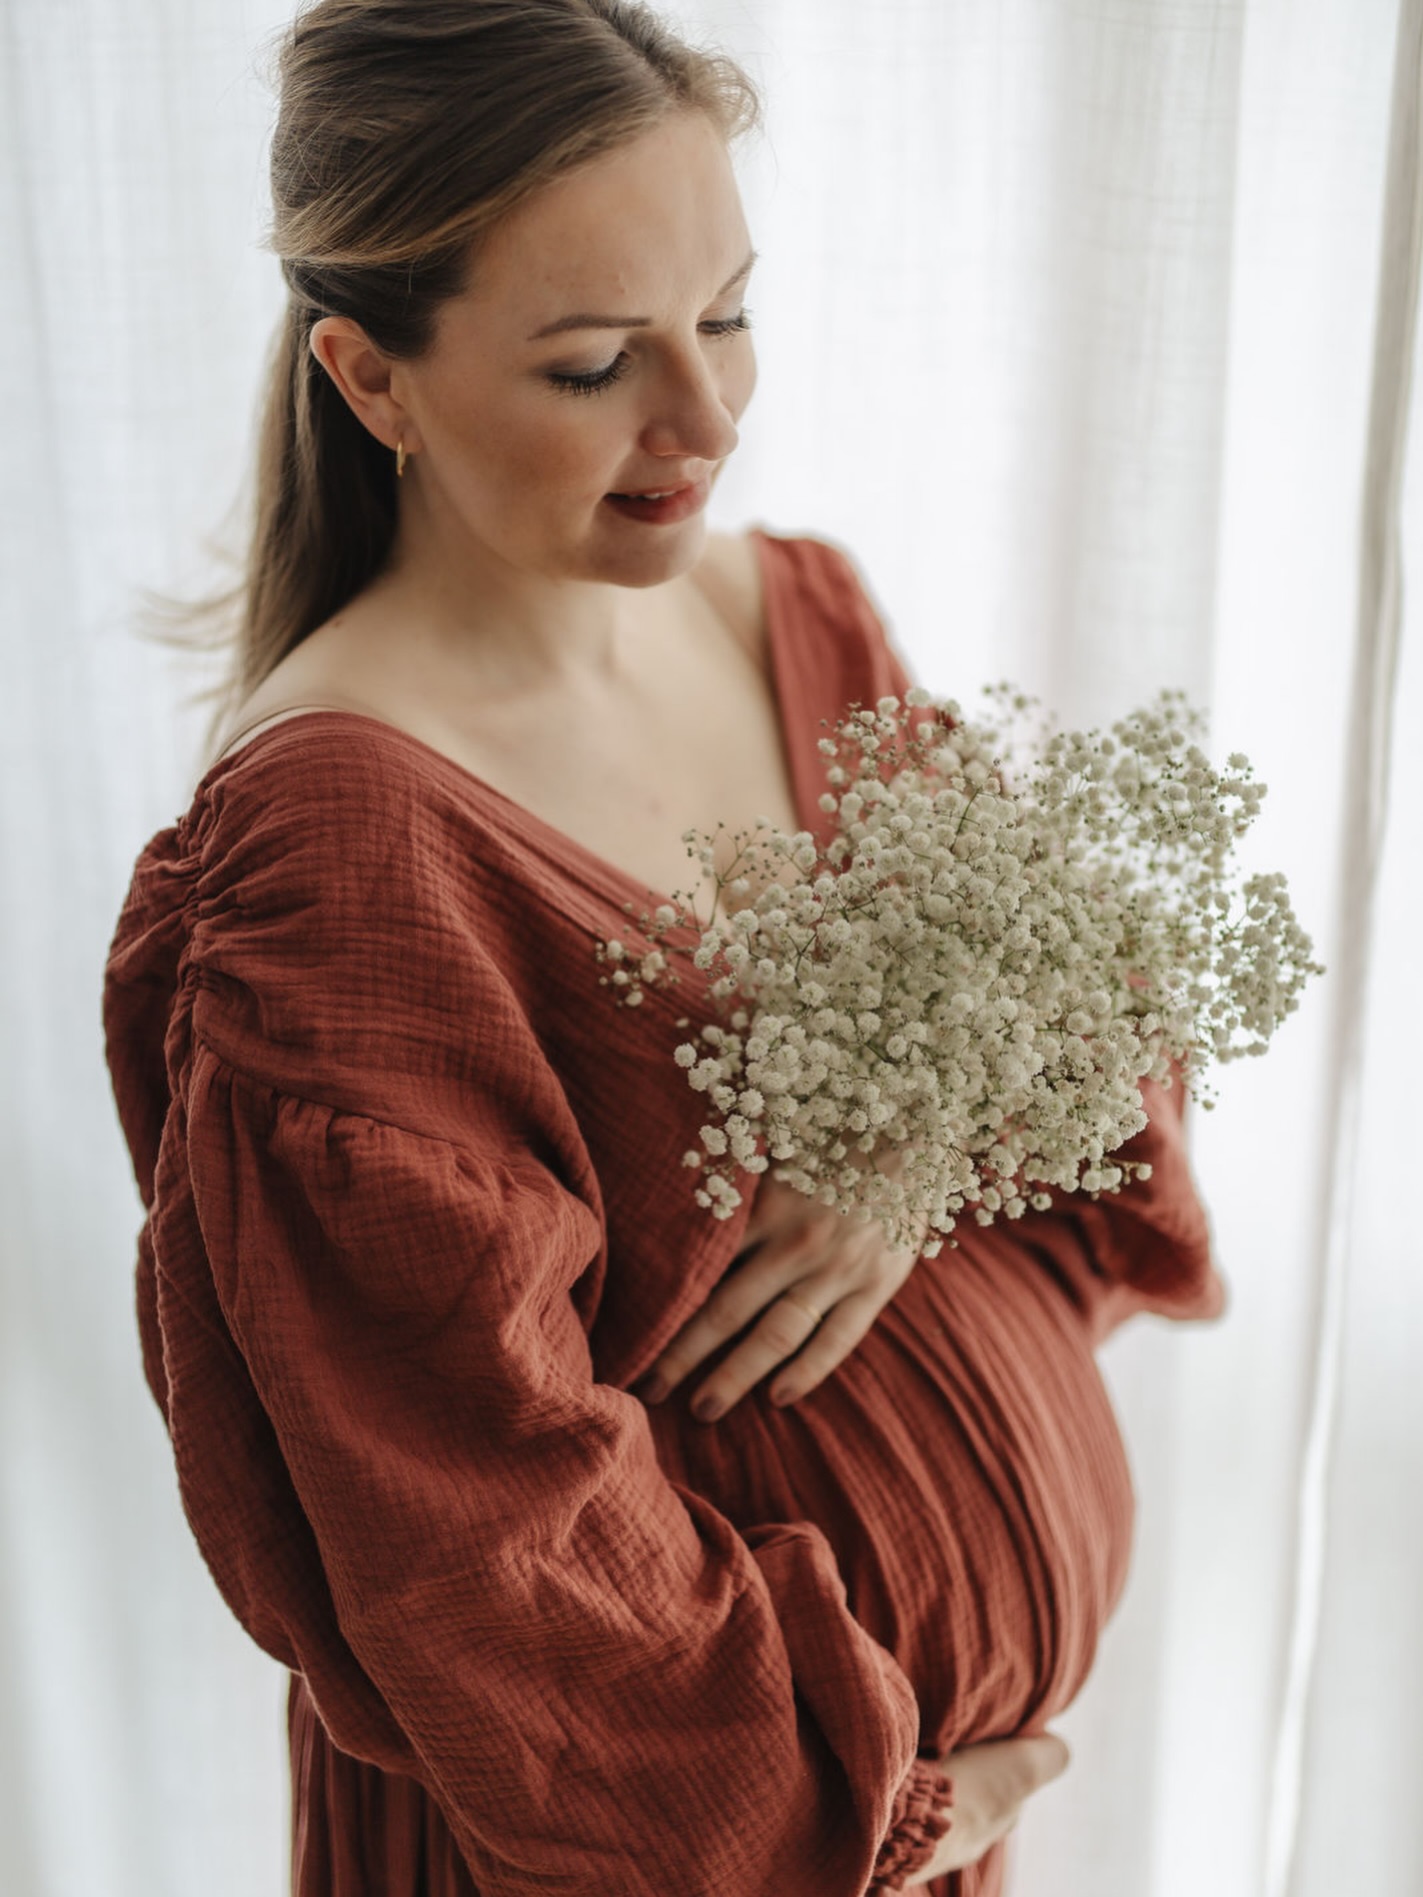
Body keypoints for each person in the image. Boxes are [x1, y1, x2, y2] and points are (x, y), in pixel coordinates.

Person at [102, 3, 1226, 1892]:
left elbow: (1087, 1009)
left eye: (727, 315)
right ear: (372, 380)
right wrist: (880, 1810)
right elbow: (474, 1522)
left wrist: (906, 1150)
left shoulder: (790, 614)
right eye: (595, 362)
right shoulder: (340, 850)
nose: (705, 420)